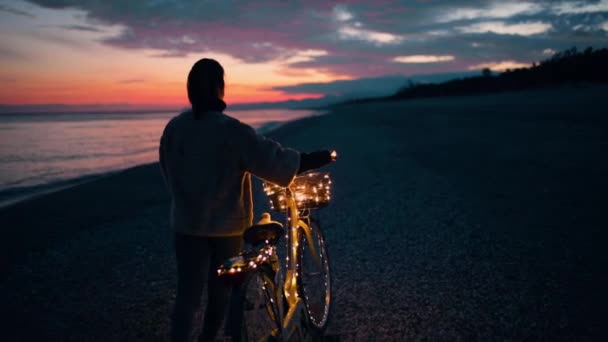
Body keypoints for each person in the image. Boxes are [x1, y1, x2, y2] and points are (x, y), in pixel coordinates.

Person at [159, 58, 334, 342]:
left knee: (187, 297)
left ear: (190, 90)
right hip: (226, 227)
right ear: (220, 88)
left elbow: (168, 170)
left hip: (186, 224)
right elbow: (272, 161)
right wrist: (312, 159)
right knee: (221, 293)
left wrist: (184, 200)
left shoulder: (175, 128)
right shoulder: (232, 131)